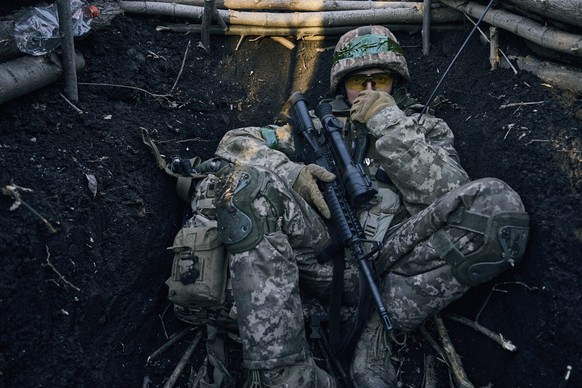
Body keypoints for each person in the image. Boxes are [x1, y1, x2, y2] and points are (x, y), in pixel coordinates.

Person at [195, 25, 529, 387]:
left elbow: (452, 196)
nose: (369, 91)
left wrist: (387, 123)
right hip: (322, 254)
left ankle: (378, 332)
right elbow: (234, 143)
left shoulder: (424, 129)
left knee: (497, 204)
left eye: (380, 79)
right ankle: (288, 374)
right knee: (249, 186)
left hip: (397, 264)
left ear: (395, 83)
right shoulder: (319, 128)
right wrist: (293, 173)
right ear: (342, 86)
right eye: (359, 82)